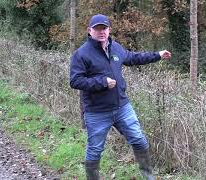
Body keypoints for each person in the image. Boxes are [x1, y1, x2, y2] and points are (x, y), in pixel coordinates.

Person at [69, 14, 171, 180]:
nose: (101, 32)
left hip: (122, 107)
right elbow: (75, 80)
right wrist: (102, 82)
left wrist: (157, 55)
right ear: (89, 31)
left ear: (109, 30)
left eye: (104, 28)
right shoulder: (81, 54)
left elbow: (132, 58)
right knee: (95, 149)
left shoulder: (115, 47)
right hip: (97, 111)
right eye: (97, 29)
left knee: (139, 140)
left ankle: (149, 177)